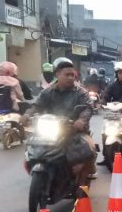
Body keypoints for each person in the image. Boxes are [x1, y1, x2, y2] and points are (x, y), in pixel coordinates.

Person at [20, 57, 96, 186]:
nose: (71, 78)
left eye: (72, 75)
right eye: (67, 75)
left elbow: (87, 108)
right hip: (51, 130)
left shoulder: (81, 93)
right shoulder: (47, 92)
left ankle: (82, 186)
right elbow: (36, 106)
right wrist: (27, 115)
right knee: (32, 146)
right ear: (57, 75)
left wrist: (81, 120)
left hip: (74, 130)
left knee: (88, 149)